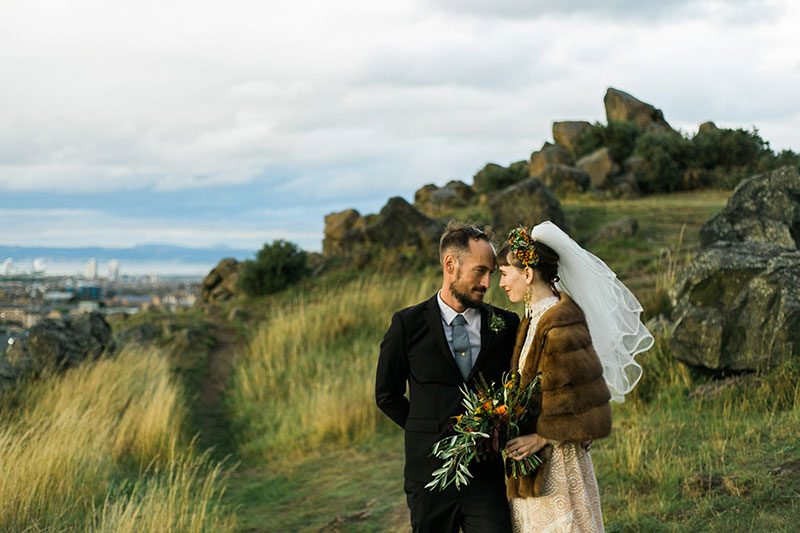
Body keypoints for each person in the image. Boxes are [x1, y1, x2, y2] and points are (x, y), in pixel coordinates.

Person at [497, 221, 654, 533]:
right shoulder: (534, 319)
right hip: (535, 464)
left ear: (527, 274)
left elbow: (587, 401)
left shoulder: (560, 322)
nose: (500, 282)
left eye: (504, 273)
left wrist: (542, 437)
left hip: (557, 467)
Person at [375, 221, 521, 533]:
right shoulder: (406, 324)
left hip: (485, 477)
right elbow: (386, 395)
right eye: (479, 271)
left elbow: (516, 390)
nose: (486, 282)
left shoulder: (506, 325)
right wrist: (426, 428)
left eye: (491, 274)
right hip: (429, 475)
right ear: (450, 264)